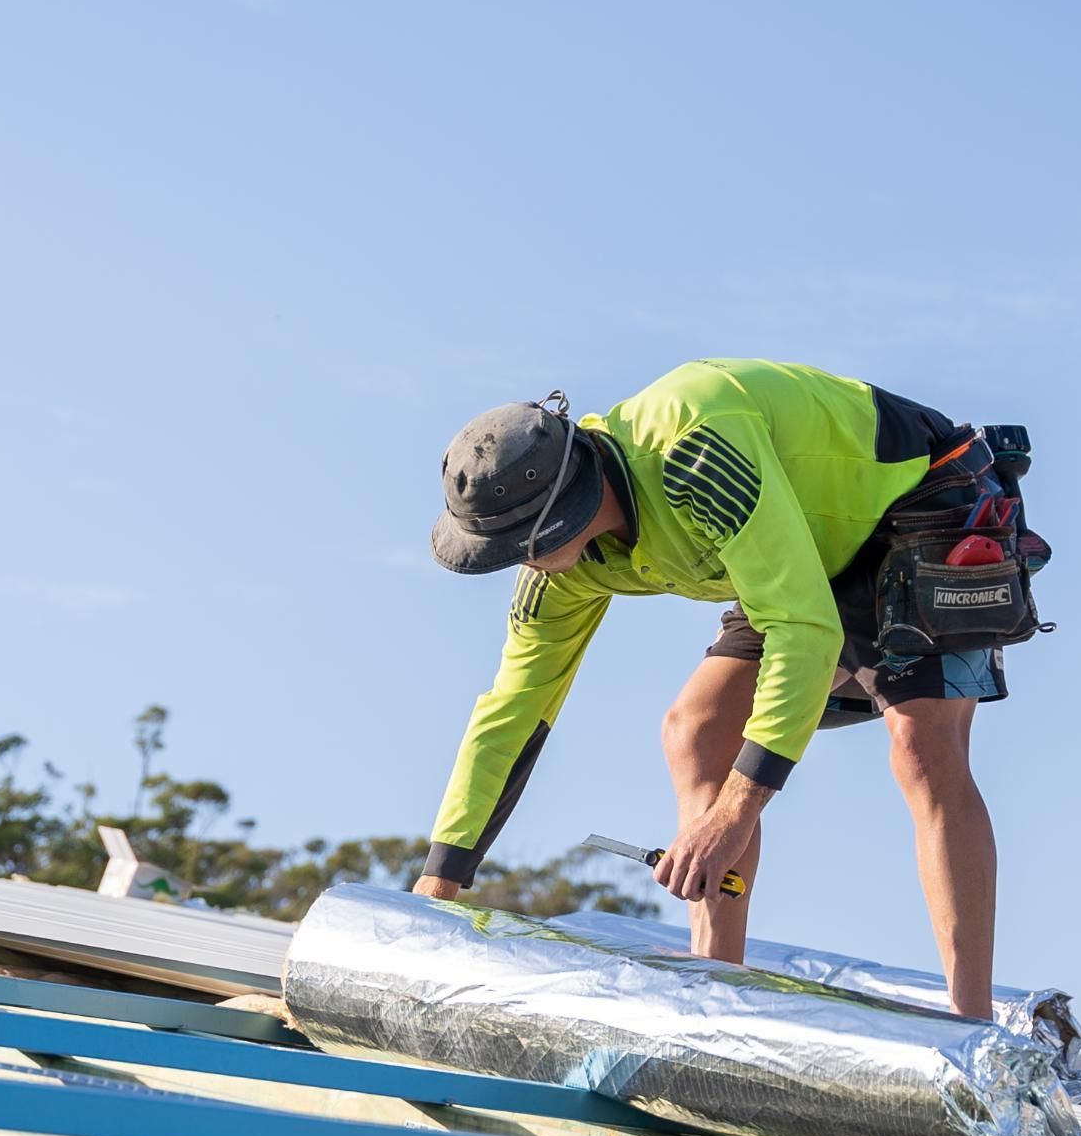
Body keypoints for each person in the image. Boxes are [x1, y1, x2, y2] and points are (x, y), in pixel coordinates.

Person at [415, 358, 1046, 1019]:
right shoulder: (565, 573)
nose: (513, 565)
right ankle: (713, 991)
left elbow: (804, 633)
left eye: (513, 548)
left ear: (552, 522)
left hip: (916, 493)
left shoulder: (693, 456)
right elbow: (513, 708)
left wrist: (733, 813)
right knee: (696, 730)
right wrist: (441, 882)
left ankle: (970, 1026)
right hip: (793, 543)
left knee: (921, 748)